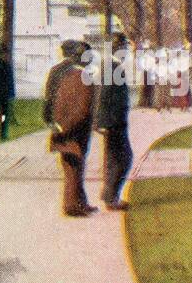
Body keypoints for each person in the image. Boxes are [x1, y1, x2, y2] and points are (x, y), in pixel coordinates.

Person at [45, 40, 98, 218]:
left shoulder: (68, 75)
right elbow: (81, 109)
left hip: (65, 128)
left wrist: (57, 125)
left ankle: (80, 201)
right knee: (74, 167)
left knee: (74, 165)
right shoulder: (82, 77)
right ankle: (72, 205)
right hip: (74, 130)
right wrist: (63, 127)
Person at [96, 32, 134, 212]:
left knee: (115, 159)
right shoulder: (111, 66)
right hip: (113, 122)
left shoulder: (111, 64)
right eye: (123, 47)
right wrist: (102, 123)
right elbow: (103, 95)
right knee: (122, 158)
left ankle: (110, 196)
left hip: (115, 121)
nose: (126, 51)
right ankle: (111, 198)